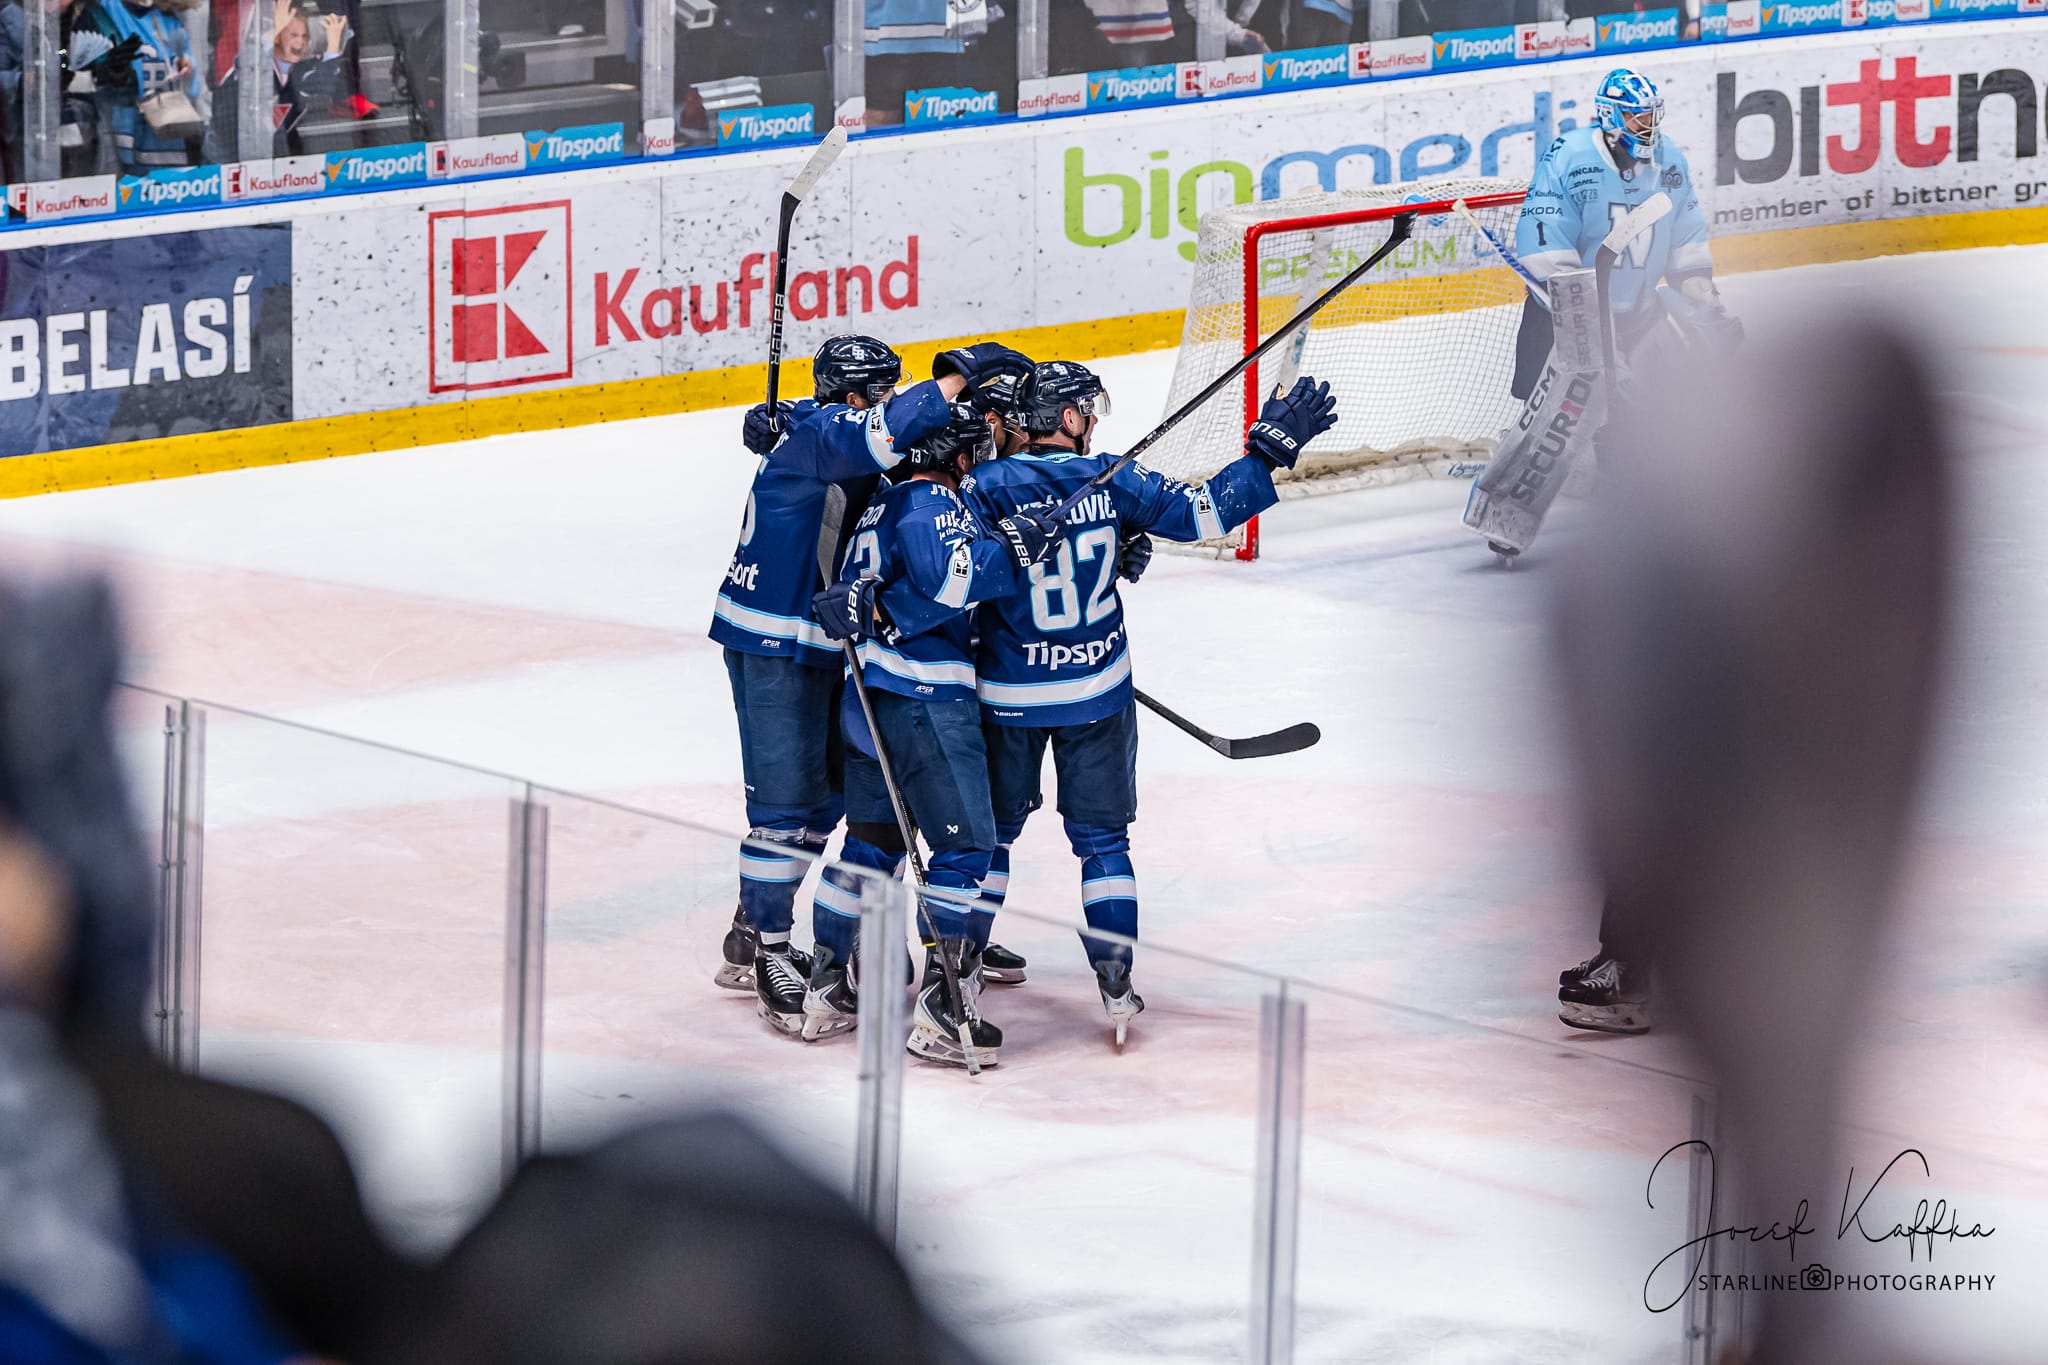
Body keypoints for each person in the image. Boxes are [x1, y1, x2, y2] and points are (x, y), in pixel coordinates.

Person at [962, 361, 1337, 1044]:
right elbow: (1203, 513)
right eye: (1087, 409)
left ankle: (959, 972)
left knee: (988, 839)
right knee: (1103, 843)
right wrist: (1266, 455)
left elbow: (956, 572)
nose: (1093, 420)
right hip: (1095, 692)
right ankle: (1115, 978)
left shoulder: (982, 486)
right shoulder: (1113, 479)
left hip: (1008, 694)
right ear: (1068, 418)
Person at [714, 336, 1026, 1039]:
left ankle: (761, 927)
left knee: (831, 800)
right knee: (787, 806)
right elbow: (881, 430)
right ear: (854, 397)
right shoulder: (831, 432)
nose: (896, 397)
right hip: (774, 638)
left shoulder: (821, 427)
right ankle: (766, 949)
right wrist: (958, 376)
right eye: (884, 388)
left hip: (828, 640)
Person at [802, 402, 1040, 1065]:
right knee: (967, 848)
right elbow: (948, 583)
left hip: (866, 698)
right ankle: (944, 1007)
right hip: (925, 695)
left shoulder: (878, 507)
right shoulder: (932, 502)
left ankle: (826, 980)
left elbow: (900, 593)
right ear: (955, 457)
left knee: (871, 844)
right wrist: (1011, 550)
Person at [205, 0, 353, 163]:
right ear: (276, 37)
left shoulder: (300, 72)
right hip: (224, 153)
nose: (300, 42)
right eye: (293, 35)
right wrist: (274, 29)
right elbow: (249, 63)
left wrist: (333, 47)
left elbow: (321, 87)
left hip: (272, 153)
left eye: (304, 36)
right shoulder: (252, 63)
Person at [85, 0, 207, 174]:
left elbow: (190, 76)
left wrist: (186, 65)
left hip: (167, 129)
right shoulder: (107, 9)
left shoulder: (168, 18)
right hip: (124, 127)